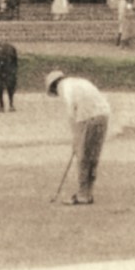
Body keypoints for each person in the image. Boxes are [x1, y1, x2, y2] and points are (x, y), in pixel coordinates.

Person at [44, 69, 111, 205]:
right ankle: (88, 192)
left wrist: (76, 138)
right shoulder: (79, 81)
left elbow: (72, 113)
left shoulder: (64, 87)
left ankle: (82, 195)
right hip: (103, 115)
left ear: (54, 85)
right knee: (93, 157)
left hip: (88, 117)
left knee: (83, 157)